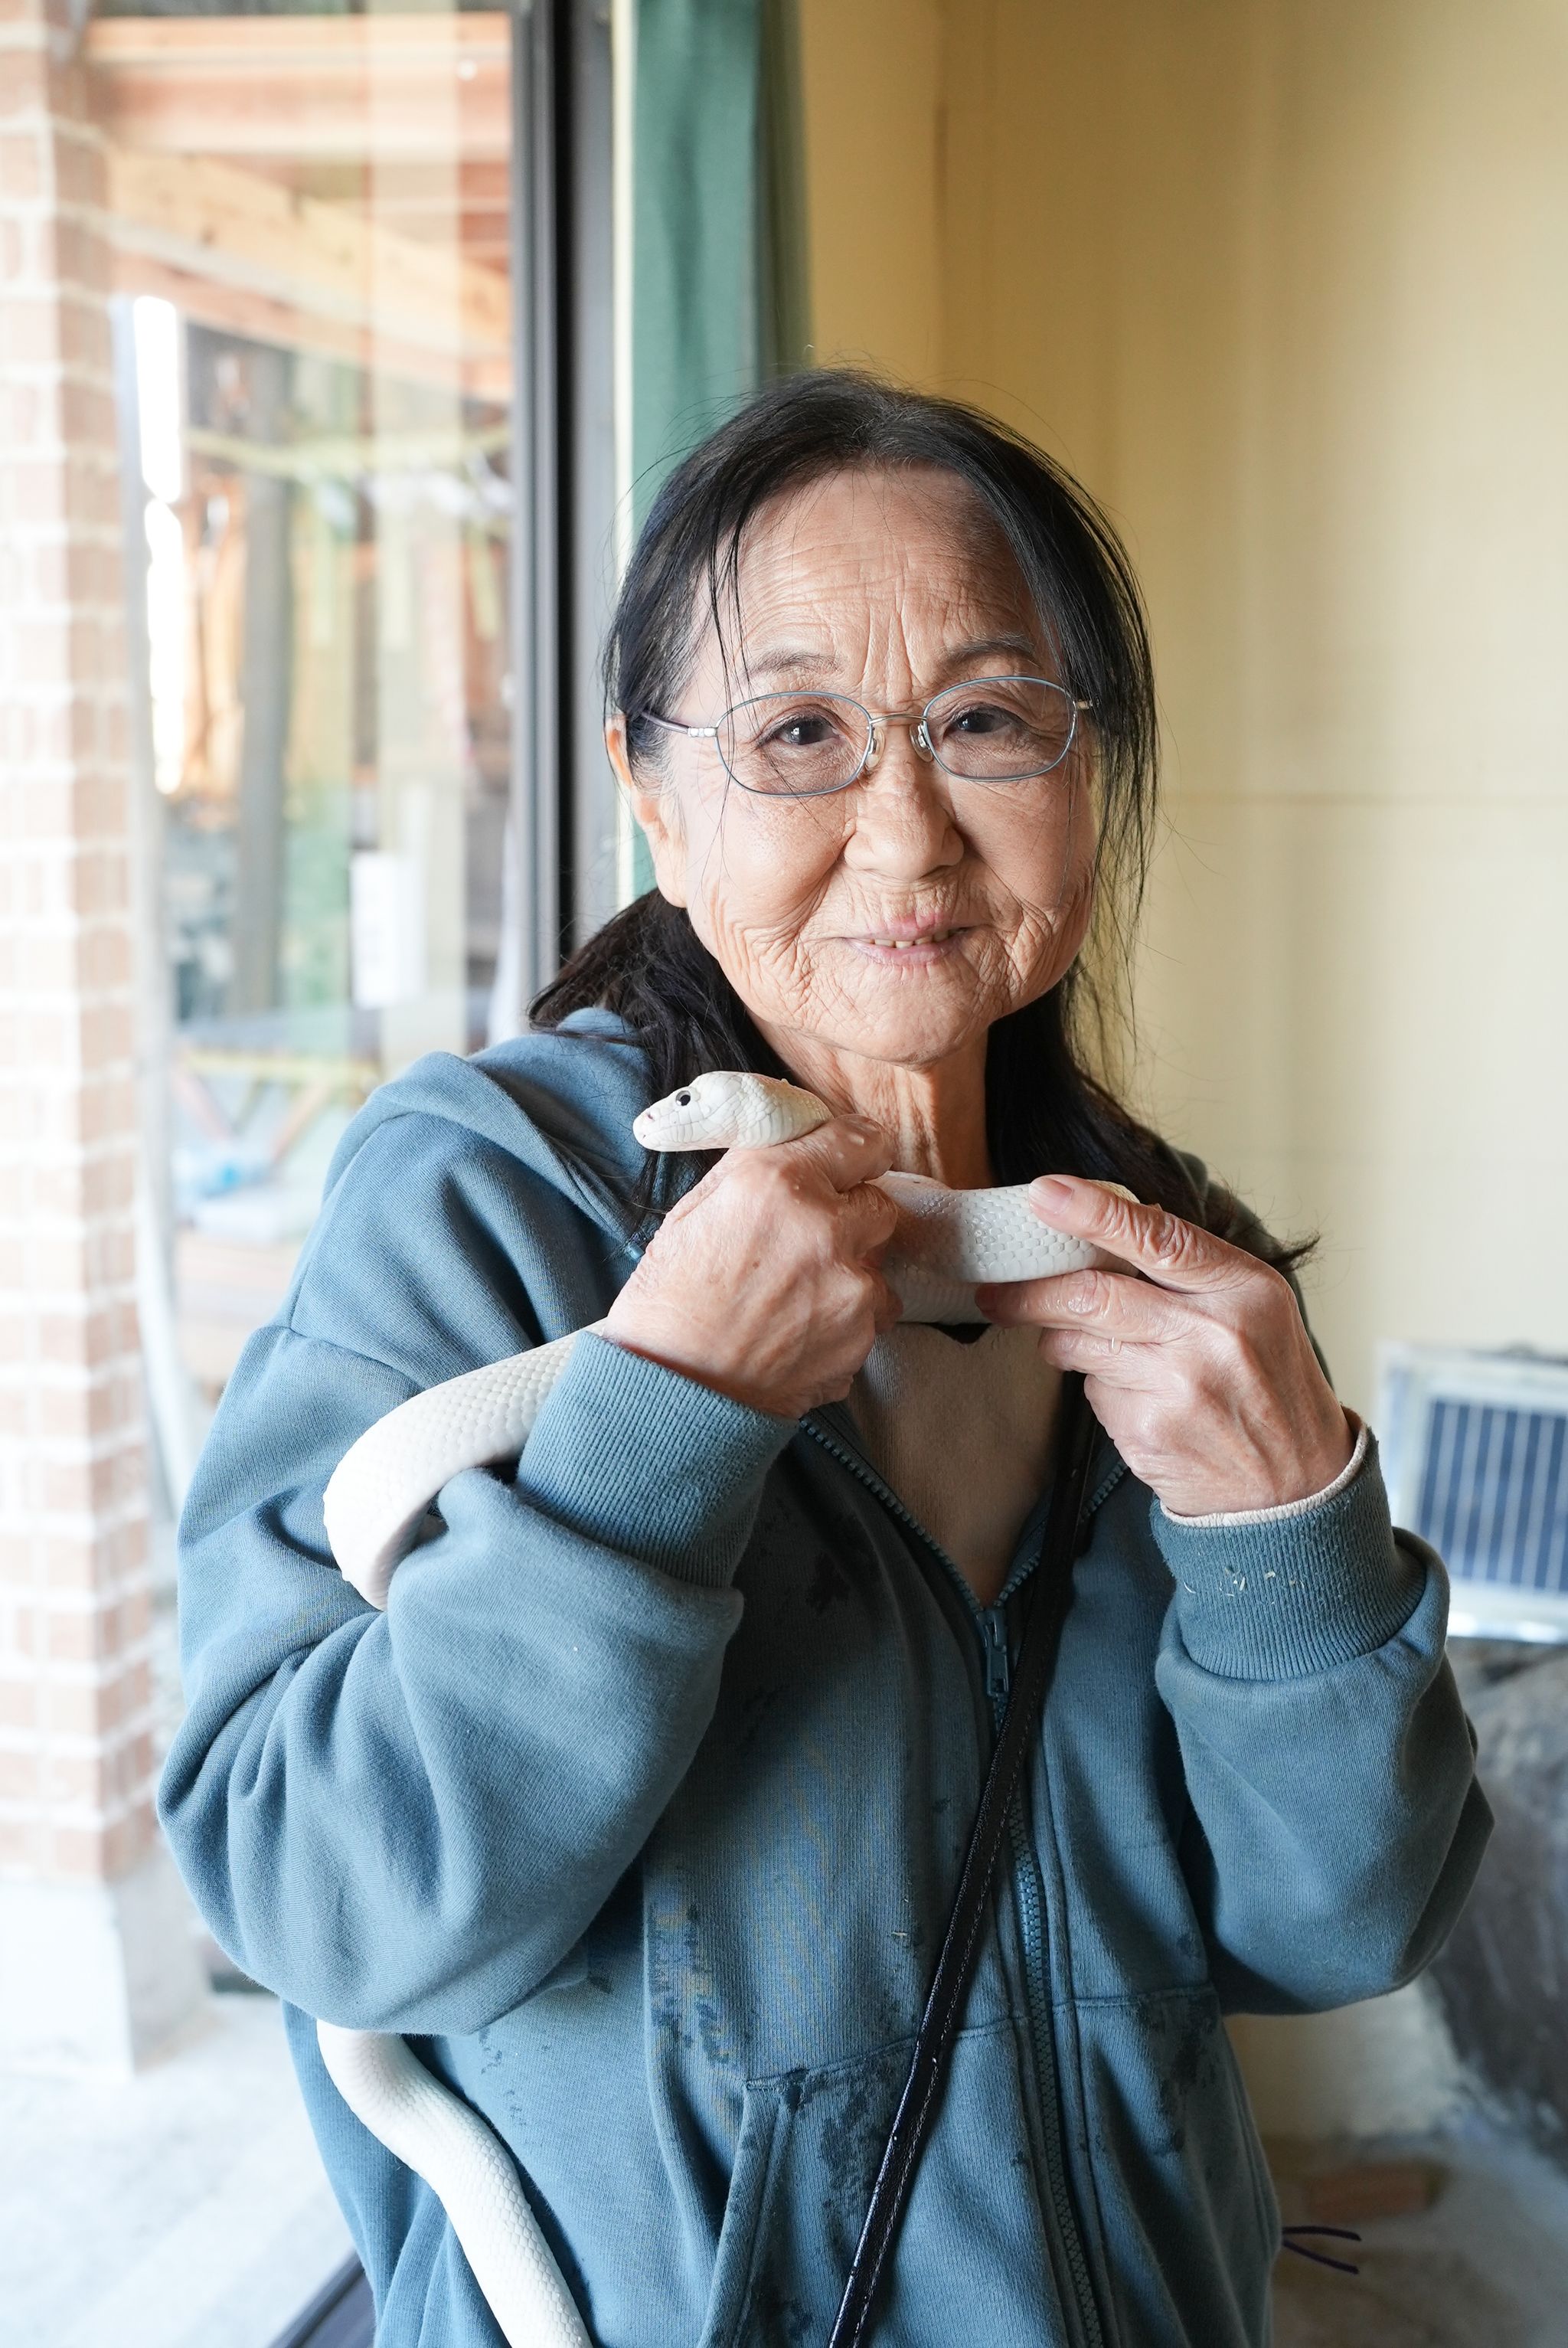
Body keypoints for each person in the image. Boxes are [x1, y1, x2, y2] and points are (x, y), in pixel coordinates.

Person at [161, 373, 1489, 2348]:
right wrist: (657, 1432)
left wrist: (1291, 1537)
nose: (908, 831)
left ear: (1084, 764)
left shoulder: (1150, 1248)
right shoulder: (496, 1202)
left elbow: (1337, 1924)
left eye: (984, 719)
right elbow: (304, 1888)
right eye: (798, 734)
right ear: (651, 793)